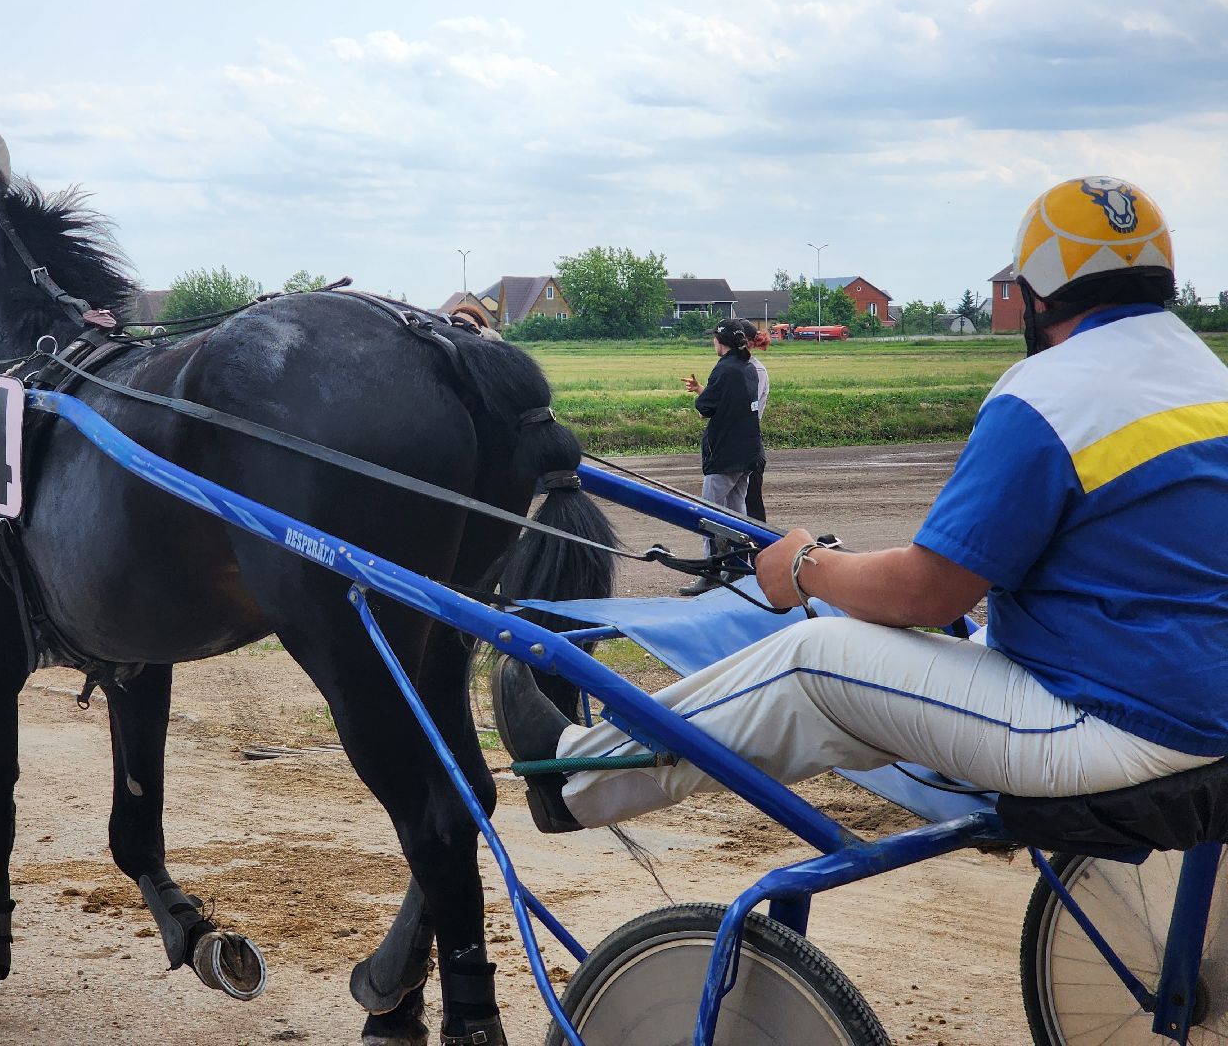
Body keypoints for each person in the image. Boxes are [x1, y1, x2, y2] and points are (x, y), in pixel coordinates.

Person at [496, 176, 1228, 835]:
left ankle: (577, 779)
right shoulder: (1208, 377)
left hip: (1114, 724)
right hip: (1198, 702)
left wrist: (807, 568)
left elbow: (925, 591)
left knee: (811, 658)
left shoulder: (1049, 393)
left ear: (1038, 293)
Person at [677, 319, 765, 595]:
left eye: (714, 339)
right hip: (748, 451)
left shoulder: (724, 369)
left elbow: (705, 409)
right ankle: (739, 568)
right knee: (738, 513)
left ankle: (712, 572)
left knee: (708, 514)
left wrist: (700, 397)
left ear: (721, 341)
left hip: (724, 453)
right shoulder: (748, 368)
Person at [744, 321, 771, 522]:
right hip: (739, 440)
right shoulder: (738, 367)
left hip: (749, 441)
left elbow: (746, 405)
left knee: (751, 505)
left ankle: (761, 551)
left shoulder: (756, 371)